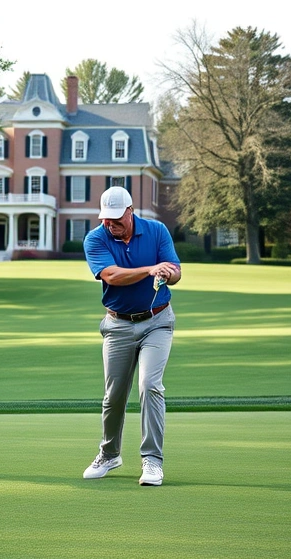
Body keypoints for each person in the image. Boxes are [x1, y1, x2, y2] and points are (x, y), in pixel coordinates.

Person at [81, 187, 181, 485]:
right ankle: (109, 454)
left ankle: (152, 461)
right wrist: (151, 269)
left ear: (130, 211)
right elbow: (111, 275)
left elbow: (176, 271)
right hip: (118, 325)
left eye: (116, 218)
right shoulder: (95, 238)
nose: (111, 224)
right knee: (114, 396)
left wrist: (167, 273)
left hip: (157, 321)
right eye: (106, 219)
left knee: (150, 385)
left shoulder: (157, 230)